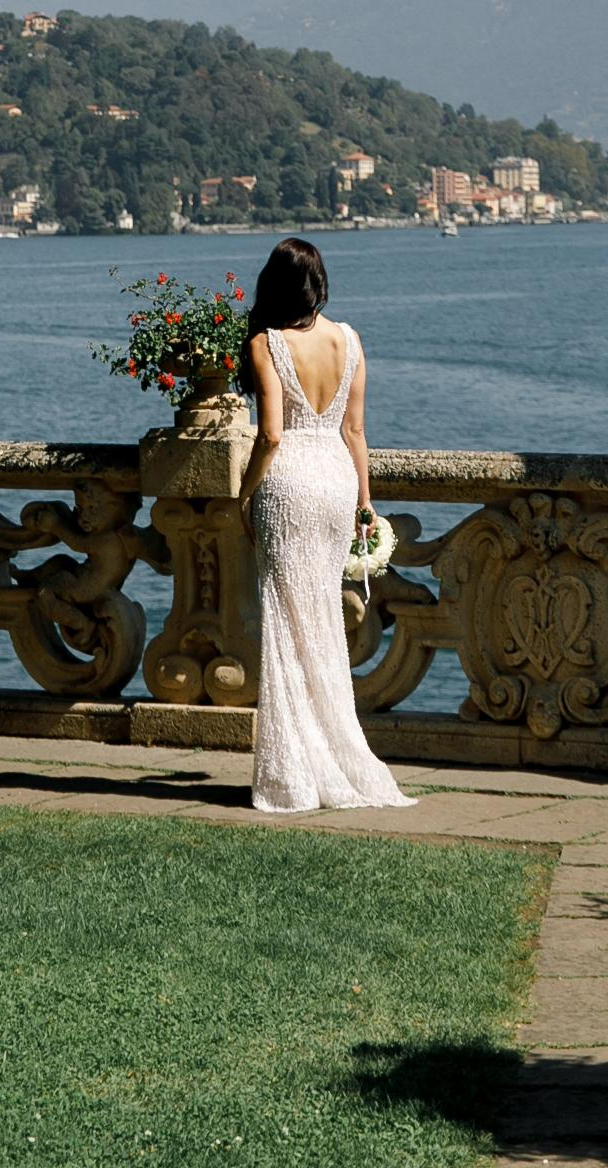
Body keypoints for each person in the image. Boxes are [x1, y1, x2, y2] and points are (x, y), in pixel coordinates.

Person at [239, 236, 415, 815]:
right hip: (336, 484)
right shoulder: (351, 340)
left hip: (288, 483)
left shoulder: (267, 343)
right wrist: (365, 501)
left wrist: (245, 493)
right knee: (320, 618)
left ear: (274, 285)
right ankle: (336, 756)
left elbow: (269, 435)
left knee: (286, 623)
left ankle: (297, 770)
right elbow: (356, 432)